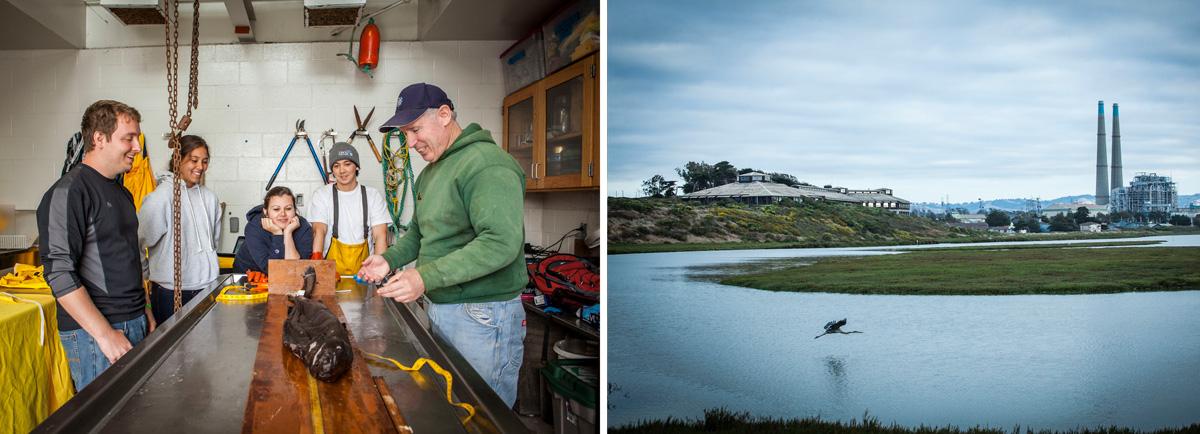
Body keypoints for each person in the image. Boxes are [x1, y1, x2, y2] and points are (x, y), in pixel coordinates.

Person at [358, 83, 527, 407]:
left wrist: (423, 278)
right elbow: (420, 235)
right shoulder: (430, 174)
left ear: (445, 115)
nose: (410, 142)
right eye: (405, 133)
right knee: (454, 409)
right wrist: (388, 260)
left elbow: (501, 243)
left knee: (480, 414)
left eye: (415, 129)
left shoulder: (486, 164)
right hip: (443, 307)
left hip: (483, 314)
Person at [38, 100, 154, 391]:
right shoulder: (70, 191)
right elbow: (59, 273)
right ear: (99, 139)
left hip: (135, 319)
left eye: (136, 137)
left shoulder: (122, 192)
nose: (137, 147)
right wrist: (105, 335)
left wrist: (146, 309)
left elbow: (130, 257)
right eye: (128, 138)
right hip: (96, 334)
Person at [138, 135, 222, 324]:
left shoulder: (210, 199)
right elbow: (138, 242)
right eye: (194, 160)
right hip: (170, 292)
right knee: (173, 352)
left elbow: (213, 241)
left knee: (205, 349)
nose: (200, 166)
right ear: (178, 160)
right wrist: (148, 274)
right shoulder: (160, 198)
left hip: (207, 287)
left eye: (205, 161)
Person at [307, 142, 390, 276]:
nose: (342, 170)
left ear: (356, 166)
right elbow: (319, 231)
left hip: (365, 273)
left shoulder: (372, 195)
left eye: (347, 164)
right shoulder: (321, 195)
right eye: (336, 165)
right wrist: (317, 259)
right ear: (332, 170)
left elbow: (380, 235)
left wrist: (378, 270)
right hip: (330, 274)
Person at [233, 186, 314, 274]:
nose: (283, 214)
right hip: (247, 276)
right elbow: (272, 269)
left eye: (288, 208)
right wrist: (278, 234)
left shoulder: (304, 228)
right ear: (266, 212)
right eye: (276, 209)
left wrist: (288, 233)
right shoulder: (254, 227)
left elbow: (296, 269)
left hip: (286, 277)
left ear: (295, 210)